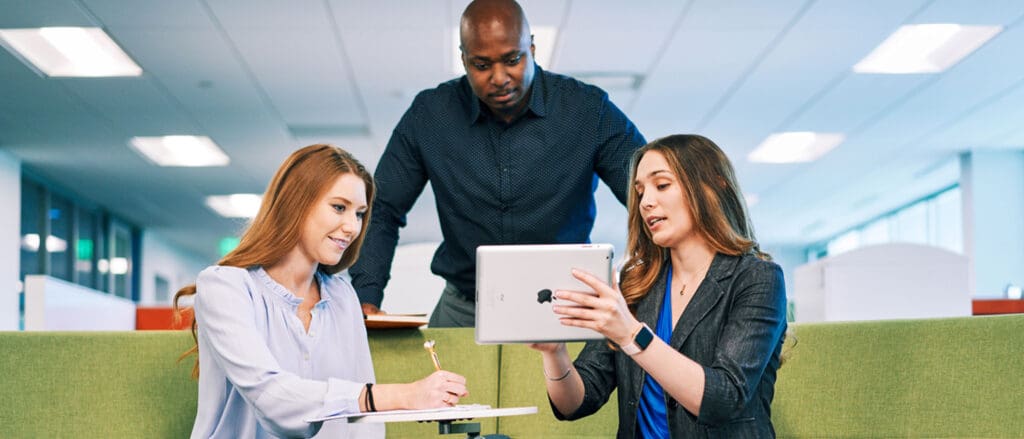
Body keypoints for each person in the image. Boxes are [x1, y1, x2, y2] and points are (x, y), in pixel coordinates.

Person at [349, 0, 647, 327]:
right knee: (434, 378)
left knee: (578, 380)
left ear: (532, 47)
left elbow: (648, 195)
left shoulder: (587, 110)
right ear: (463, 59)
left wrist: (646, 286)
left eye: (512, 59)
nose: (499, 77)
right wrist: (366, 297)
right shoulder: (430, 116)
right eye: (481, 65)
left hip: (565, 305)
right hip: (465, 306)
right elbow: (383, 208)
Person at [173, 144, 469, 439]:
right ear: (295, 204)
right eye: (339, 208)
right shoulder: (225, 287)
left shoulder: (342, 295)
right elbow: (273, 400)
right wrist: (402, 395)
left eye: (360, 213)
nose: (352, 227)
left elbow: (362, 426)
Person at [531, 135, 788, 438]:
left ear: (713, 186)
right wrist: (554, 353)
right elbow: (576, 403)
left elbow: (723, 399)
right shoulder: (636, 285)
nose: (646, 202)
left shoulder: (757, 278)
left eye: (662, 185)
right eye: (640, 192)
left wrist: (630, 333)